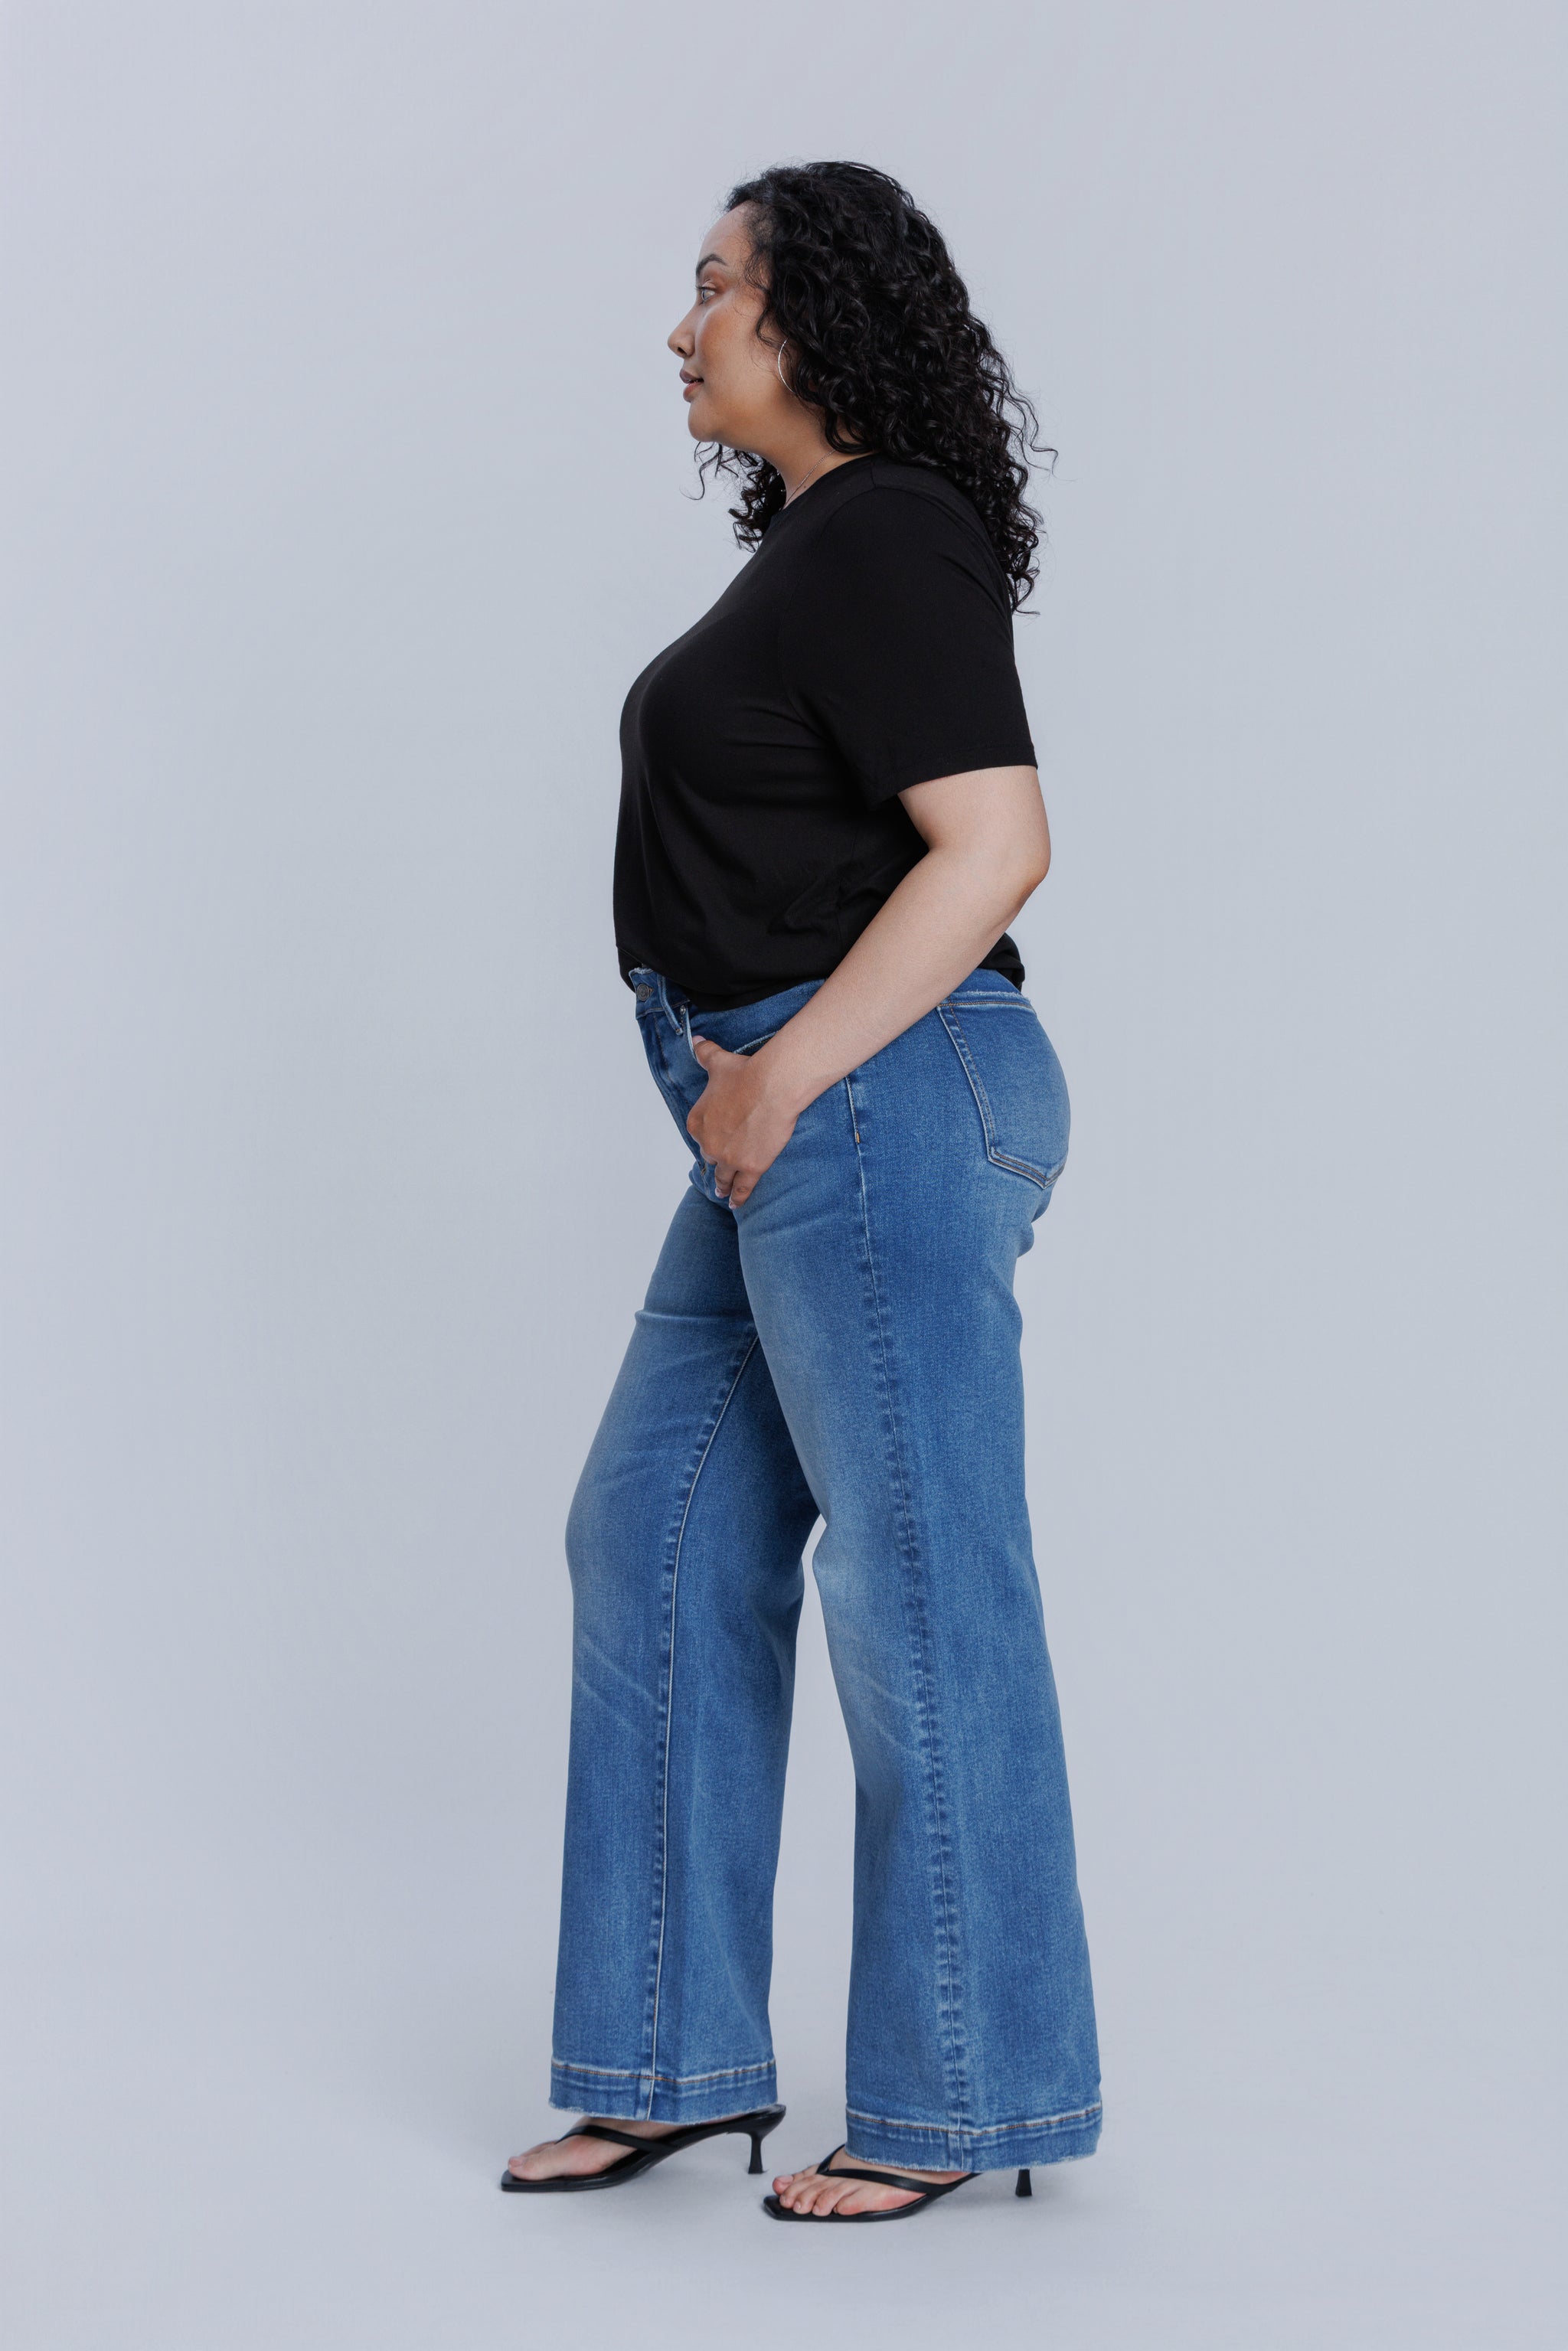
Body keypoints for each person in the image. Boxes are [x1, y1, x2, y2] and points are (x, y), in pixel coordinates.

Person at [503, 161, 1100, 2223]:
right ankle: (669, 2057)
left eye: (718, 288)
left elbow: (997, 843)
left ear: (817, 316)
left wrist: (786, 1077)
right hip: (798, 1106)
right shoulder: (825, 558)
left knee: (924, 1587)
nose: (684, 327)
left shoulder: (890, 537)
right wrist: (756, 1093)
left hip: (871, 1092)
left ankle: (964, 2096)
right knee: (655, 1539)